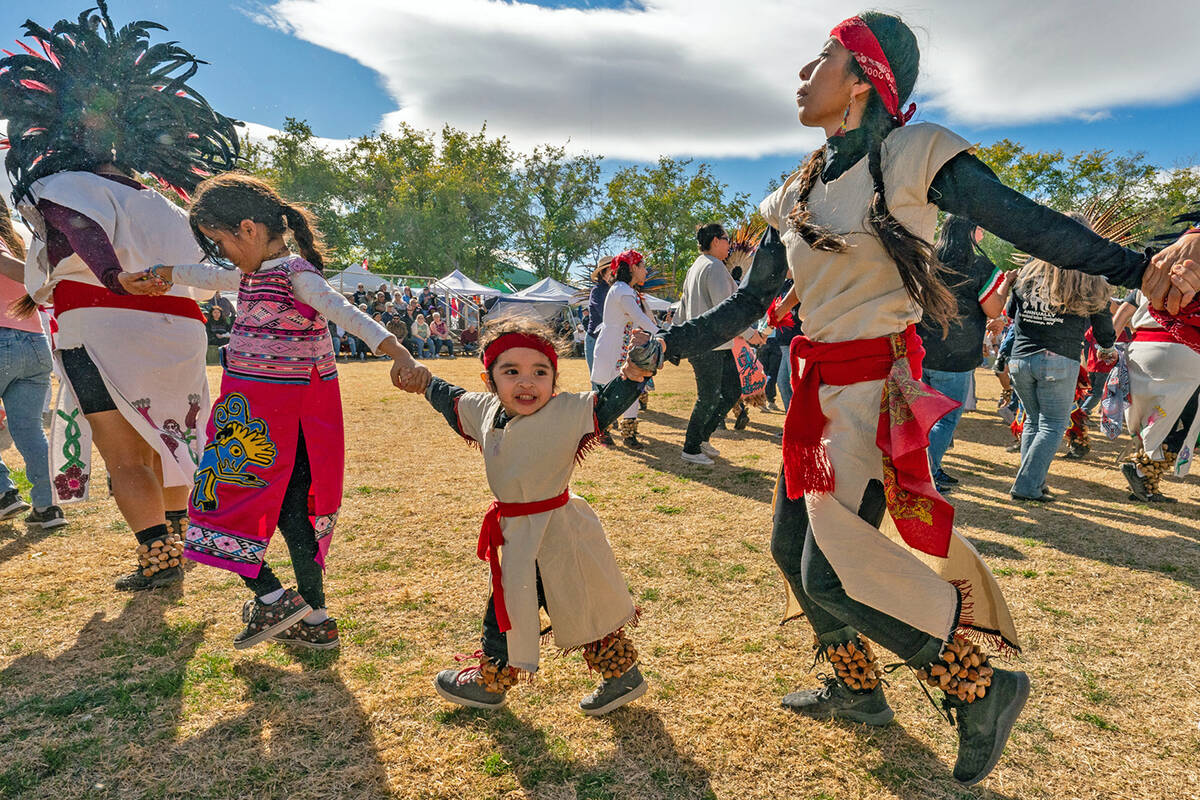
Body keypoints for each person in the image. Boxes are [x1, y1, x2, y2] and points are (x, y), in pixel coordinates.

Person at [630, 11, 1200, 786]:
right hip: (817, 394)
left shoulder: (914, 155)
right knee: (789, 554)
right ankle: (860, 694)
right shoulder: (795, 188)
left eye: (820, 58)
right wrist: (665, 346)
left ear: (865, 77)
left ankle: (979, 685)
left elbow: (1030, 225)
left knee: (834, 570)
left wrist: (1140, 269)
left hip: (871, 394)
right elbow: (749, 305)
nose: (802, 73)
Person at [118, 173, 425, 649]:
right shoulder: (248, 273)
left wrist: (399, 353)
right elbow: (206, 275)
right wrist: (165, 271)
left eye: (221, 242)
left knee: (241, 504)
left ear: (249, 229)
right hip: (248, 417)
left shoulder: (297, 275)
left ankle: (277, 600)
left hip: (281, 426)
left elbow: (345, 311)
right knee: (272, 512)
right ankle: (310, 615)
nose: (223, 255)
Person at [0, 2, 241, 590]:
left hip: (103, 321)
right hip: (179, 329)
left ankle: (156, 555)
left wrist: (111, 277)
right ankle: (177, 539)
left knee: (126, 453)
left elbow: (74, 226)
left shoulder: (59, 184)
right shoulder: (163, 202)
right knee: (174, 438)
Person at [403, 320, 648, 715]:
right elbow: (452, 401)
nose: (527, 383)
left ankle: (493, 679)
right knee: (530, 600)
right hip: (515, 534)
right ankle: (617, 674)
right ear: (489, 379)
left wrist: (635, 373)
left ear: (555, 379)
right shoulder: (484, 410)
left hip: (557, 530)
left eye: (540, 372)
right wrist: (424, 382)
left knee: (555, 600)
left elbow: (606, 404)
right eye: (510, 372)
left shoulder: (566, 411)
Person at [1006, 214, 1115, 501]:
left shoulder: (1029, 269)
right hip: (1058, 358)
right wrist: (1107, 345)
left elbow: (1009, 312)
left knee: (1033, 421)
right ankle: (1027, 485)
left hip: (1020, 358)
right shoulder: (1089, 274)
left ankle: (1034, 481)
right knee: (1052, 425)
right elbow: (1103, 324)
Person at [917, 215, 1007, 492]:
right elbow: (993, 310)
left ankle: (926, 468)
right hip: (955, 355)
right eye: (980, 228)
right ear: (970, 232)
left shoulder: (925, 259)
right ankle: (925, 475)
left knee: (921, 418)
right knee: (945, 419)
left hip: (919, 350)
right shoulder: (978, 264)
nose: (982, 233)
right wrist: (1004, 287)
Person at [0, 197, 65, 529]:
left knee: (26, 429)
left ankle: (3, 493)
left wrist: (41, 286)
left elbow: (6, 265)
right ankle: (47, 506)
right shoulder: (21, 239)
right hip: (35, 342)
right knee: (28, 429)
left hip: (2, 340)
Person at [677, 223, 763, 465]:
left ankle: (702, 437)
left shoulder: (698, 266)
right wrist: (750, 334)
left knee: (731, 390)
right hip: (708, 345)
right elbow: (727, 310)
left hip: (713, 344)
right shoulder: (713, 267)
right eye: (727, 240)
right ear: (715, 241)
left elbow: (683, 308)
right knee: (709, 397)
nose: (730, 245)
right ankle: (691, 447)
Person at [1111, 286, 1200, 502]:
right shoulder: (1195, 275)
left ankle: (1147, 485)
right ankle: (1140, 470)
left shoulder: (1151, 274)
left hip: (1140, 352)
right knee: (1183, 421)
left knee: (1149, 418)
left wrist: (1107, 347)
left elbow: (1122, 313)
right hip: (1183, 351)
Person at [589, 251, 659, 449]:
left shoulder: (626, 290)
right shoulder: (621, 290)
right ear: (633, 268)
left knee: (631, 386)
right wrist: (661, 334)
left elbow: (644, 317)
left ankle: (628, 433)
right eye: (643, 266)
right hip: (612, 346)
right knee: (609, 389)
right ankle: (604, 430)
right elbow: (639, 317)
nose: (646, 271)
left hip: (622, 344)